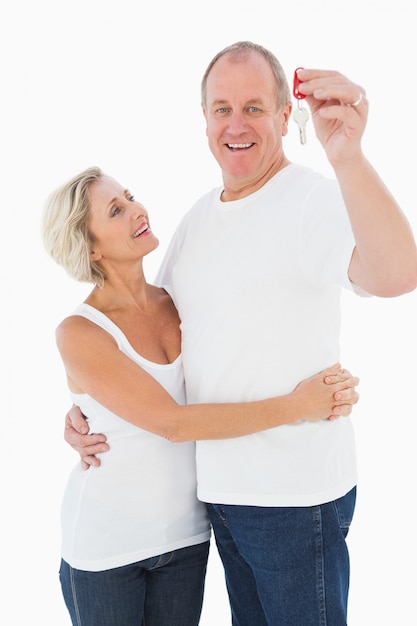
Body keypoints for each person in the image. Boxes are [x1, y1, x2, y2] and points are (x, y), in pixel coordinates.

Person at [65, 41, 417, 626]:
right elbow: (154, 343)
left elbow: (397, 275)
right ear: (203, 119)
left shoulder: (311, 200)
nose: (236, 124)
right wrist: (85, 408)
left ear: (285, 116)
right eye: (221, 108)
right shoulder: (197, 221)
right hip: (217, 501)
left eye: (254, 108)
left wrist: (349, 160)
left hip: (294, 500)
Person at [42, 166, 359, 626]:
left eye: (129, 197)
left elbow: (235, 352)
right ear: (89, 247)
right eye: (116, 210)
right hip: (109, 546)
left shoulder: (177, 299)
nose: (136, 210)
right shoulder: (79, 332)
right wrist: (300, 405)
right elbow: (173, 422)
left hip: (186, 539)